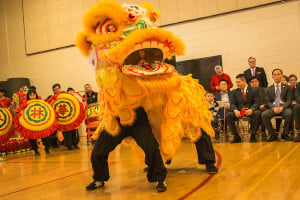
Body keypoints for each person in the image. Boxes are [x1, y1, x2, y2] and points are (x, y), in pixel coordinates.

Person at [86, 107, 167, 192]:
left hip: (138, 120)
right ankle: (99, 179)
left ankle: (160, 178)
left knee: (151, 147)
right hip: (118, 119)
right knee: (99, 149)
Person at [226, 74, 260, 143]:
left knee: (257, 113)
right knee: (228, 115)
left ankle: (253, 135)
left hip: (250, 111)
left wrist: (252, 109)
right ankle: (236, 136)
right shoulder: (234, 92)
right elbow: (232, 104)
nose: (237, 84)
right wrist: (235, 110)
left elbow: (257, 102)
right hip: (239, 111)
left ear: (244, 81)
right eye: (236, 82)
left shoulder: (254, 90)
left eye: (238, 82)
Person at [261, 69, 293, 142]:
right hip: (273, 107)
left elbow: (289, 101)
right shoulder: (268, 89)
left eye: (278, 74)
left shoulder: (287, 87)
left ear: (281, 75)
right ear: (272, 76)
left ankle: (285, 134)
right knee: (264, 114)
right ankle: (272, 134)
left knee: (289, 113)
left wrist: (282, 107)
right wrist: (273, 108)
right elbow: (267, 101)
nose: (276, 76)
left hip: (284, 107)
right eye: (275, 75)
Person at [26, 89, 51, 155]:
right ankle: (35, 150)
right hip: (31, 124)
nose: (32, 96)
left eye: (33, 95)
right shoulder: (25, 104)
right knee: (32, 138)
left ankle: (47, 148)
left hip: (41, 122)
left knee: (45, 136)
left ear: (36, 95)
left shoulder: (40, 102)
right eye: (30, 95)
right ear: (28, 96)